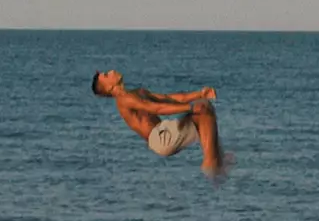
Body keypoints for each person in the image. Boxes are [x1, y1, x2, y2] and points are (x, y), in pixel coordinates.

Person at [90, 70, 230, 178]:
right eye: (107, 75)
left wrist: (199, 94)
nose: (113, 71)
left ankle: (215, 160)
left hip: (164, 131)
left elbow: (168, 98)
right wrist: (191, 107)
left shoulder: (138, 92)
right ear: (109, 88)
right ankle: (211, 164)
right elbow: (156, 108)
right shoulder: (123, 100)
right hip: (160, 138)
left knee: (206, 114)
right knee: (203, 110)